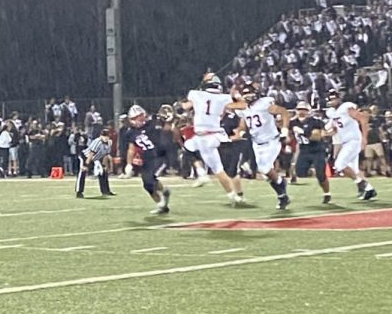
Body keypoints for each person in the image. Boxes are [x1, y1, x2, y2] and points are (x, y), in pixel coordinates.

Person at [179, 72, 240, 203]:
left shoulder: (196, 94)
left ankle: (233, 196)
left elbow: (185, 106)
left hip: (205, 136)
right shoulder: (224, 98)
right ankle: (201, 173)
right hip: (215, 135)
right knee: (188, 147)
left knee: (218, 169)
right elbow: (235, 106)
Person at [234, 83, 290, 209]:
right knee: (266, 173)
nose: (248, 96)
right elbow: (243, 124)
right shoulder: (244, 109)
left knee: (264, 169)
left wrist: (285, 130)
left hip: (271, 141)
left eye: (250, 93)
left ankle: (281, 186)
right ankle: (282, 194)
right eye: (245, 93)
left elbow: (284, 112)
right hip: (256, 143)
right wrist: (241, 132)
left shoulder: (264, 104)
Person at [324, 89, 377, 200]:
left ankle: (362, 184)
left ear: (339, 98)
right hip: (346, 141)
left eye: (335, 98)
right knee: (354, 170)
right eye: (331, 98)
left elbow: (362, 119)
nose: (333, 100)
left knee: (340, 165)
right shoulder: (331, 112)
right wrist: (323, 135)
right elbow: (335, 129)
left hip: (354, 140)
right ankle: (369, 190)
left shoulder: (346, 107)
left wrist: (364, 138)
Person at [124, 105, 172, 214]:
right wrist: (129, 164)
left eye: (138, 117)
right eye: (133, 118)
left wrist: (168, 121)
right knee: (147, 185)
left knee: (150, 180)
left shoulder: (152, 123)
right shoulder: (130, 132)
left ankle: (163, 195)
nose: (136, 121)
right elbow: (131, 149)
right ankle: (162, 202)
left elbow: (167, 128)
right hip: (146, 158)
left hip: (158, 155)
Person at [290, 101, 331, 203]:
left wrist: (303, 132)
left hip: (317, 150)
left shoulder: (315, 122)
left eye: (304, 110)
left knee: (321, 175)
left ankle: (327, 193)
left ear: (309, 111)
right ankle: (313, 171)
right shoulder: (293, 122)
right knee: (300, 172)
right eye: (299, 109)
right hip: (304, 150)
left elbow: (316, 137)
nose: (301, 112)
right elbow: (289, 136)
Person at [75, 128, 115, 198]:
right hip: (86, 157)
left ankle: (105, 191)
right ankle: (79, 192)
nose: (106, 138)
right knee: (82, 172)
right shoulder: (97, 142)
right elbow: (91, 154)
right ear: (101, 136)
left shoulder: (109, 142)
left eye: (107, 136)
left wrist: (104, 165)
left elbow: (105, 154)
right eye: (104, 135)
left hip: (97, 158)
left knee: (103, 172)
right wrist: (86, 165)